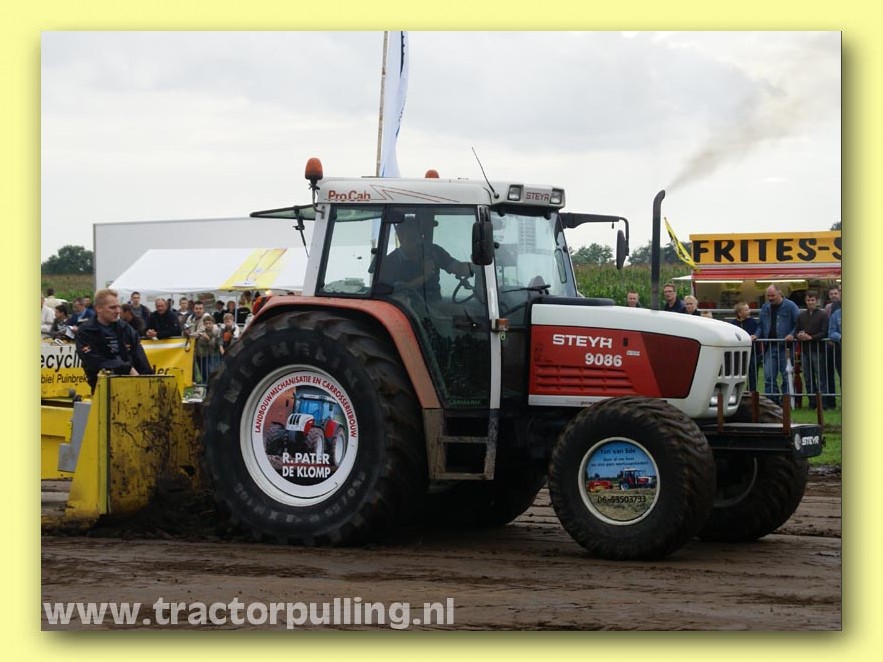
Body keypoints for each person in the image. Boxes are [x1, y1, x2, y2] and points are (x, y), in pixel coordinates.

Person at [75, 289, 153, 392]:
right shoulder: (86, 331)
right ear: (99, 308)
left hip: (132, 385)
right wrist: (127, 368)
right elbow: (93, 361)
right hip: (102, 388)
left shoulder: (125, 328)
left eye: (118, 307)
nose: (118, 311)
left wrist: (150, 383)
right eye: (112, 307)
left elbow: (140, 357)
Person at [380, 218, 472, 301]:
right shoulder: (392, 261)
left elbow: (457, 267)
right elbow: (397, 291)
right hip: (407, 308)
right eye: (412, 238)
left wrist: (475, 266)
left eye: (420, 236)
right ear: (400, 238)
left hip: (436, 306)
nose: (418, 242)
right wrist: (425, 276)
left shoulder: (433, 251)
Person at [759, 285, 800, 404]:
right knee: (768, 376)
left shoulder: (791, 306)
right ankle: (771, 402)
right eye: (768, 296)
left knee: (786, 376)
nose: (770, 298)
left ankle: (786, 402)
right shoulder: (765, 307)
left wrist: (792, 334)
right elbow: (761, 325)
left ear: (780, 293)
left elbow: (798, 323)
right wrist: (755, 335)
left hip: (786, 348)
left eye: (773, 295)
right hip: (770, 346)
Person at [796, 290, 830, 409]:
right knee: (808, 377)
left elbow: (825, 332)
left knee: (821, 377)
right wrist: (799, 335)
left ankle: (823, 403)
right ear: (805, 301)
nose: (810, 302)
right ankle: (812, 402)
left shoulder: (823, 315)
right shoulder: (801, 315)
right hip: (805, 350)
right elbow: (796, 330)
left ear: (817, 301)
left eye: (812, 300)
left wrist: (811, 337)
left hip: (818, 350)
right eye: (808, 300)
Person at [729, 302, 760, 391]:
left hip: (753, 353)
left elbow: (756, 332)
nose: (749, 311)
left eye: (748, 309)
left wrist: (755, 336)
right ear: (739, 313)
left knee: (752, 374)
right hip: (739, 353)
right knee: (737, 373)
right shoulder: (734, 323)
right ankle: (736, 391)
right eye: (746, 310)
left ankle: (751, 391)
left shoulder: (752, 322)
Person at [193, 313, 222, 383]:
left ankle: (208, 383)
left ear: (213, 323)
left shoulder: (216, 331)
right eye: (206, 323)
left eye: (210, 323)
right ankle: (203, 383)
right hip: (199, 353)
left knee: (208, 370)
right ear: (204, 324)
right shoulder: (201, 331)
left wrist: (207, 338)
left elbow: (213, 344)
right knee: (201, 370)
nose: (208, 325)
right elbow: (195, 337)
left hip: (210, 354)